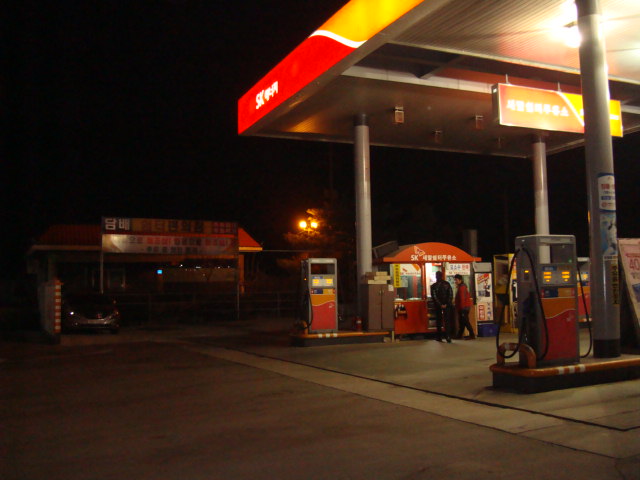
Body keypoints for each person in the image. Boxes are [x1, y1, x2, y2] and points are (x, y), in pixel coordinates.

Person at [431, 271, 453, 342]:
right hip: (447, 306)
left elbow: (434, 297)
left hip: (438, 306)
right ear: (442, 276)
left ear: (436, 276)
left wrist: (440, 304)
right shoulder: (447, 284)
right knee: (447, 321)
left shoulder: (433, 286)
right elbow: (450, 295)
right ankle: (448, 337)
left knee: (439, 321)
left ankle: (439, 337)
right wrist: (446, 304)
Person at [454, 274, 476, 339]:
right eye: (455, 280)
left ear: (460, 280)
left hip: (464, 307)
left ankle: (472, 334)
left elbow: (462, 298)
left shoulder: (462, 287)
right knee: (462, 322)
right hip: (463, 307)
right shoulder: (461, 286)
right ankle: (459, 335)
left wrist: (462, 308)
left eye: (456, 280)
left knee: (465, 321)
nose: (455, 281)